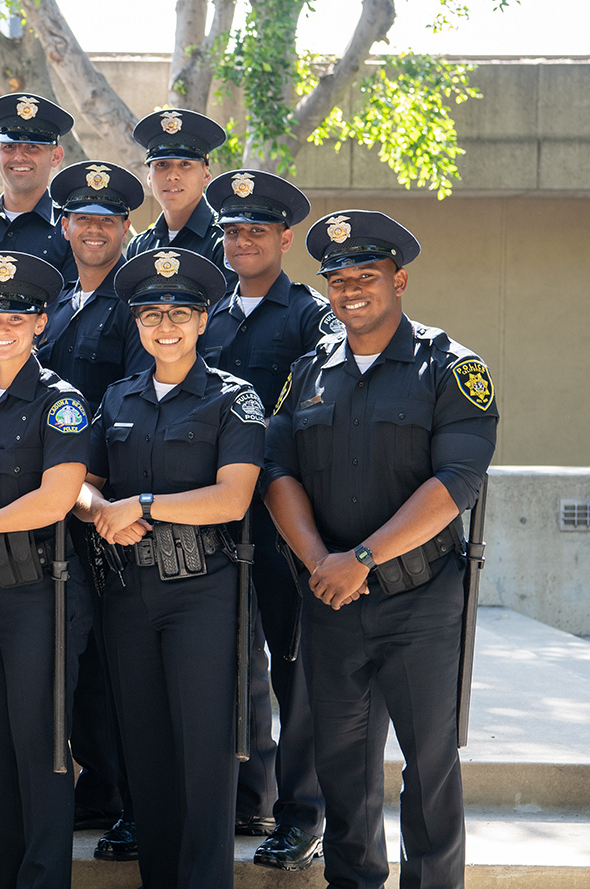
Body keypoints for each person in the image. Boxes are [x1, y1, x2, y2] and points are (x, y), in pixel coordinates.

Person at [264, 210, 498, 889]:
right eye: (336, 281)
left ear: (398, 280)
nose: (348, 291)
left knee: (428, 767)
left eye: (365, 276)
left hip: (419, 600)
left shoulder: (450, 368)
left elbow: (455, 481)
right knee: (342, 771)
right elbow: (278, 473)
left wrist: (359, 558)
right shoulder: (307, 371)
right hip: (332, 602)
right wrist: (320, 564)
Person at [76, 247, 265, 889]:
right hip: (127, 592)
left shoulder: (230, 400)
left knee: (204, 758)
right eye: (152, 313)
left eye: (180, 313)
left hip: (202, 594)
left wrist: (145, 504)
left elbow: (233, 496)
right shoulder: (118, 396)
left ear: (203, 321)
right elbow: (83, 485)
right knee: (147, 754)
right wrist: (101, 509)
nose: (166, 326)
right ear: (136, 323)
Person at [0, 251, 93, 889]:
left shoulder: (61, 403)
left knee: (42, 748)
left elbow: (57, 497)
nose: (1, 326)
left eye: (18, 315)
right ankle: (4, 870)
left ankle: (41, 878)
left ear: (41, 323)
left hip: (42, 594)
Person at [199, 168, 331, 868]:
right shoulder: (206, 313)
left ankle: (300, 812)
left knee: (291, 669)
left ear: (284, 238)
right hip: (216, 521)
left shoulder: (311, 316)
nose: (242, 241)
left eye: (256, 230)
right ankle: (248, 796)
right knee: (228, 665)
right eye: (231, 230)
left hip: (283, 518)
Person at [38, 159, 151, 860]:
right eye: (82, 220)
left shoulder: (135, 306)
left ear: (124, 230)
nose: (93, 231)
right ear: (64, 225)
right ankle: (102, 784)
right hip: (57, 504)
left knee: (120, 664)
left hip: (105, 500)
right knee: (75, 651)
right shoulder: (54, 304)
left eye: (107, 222)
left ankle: (136, 800)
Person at [0, 94, 77, 279]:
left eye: (33, 147)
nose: (19, 156)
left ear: (56, 156)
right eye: (9, 147)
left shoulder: (71, 232)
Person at [124, 109, 234, 291]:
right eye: (161, 164)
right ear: (149, 178)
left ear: (206, 175)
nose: (172, 175)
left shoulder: (224, 241)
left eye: (185, 164)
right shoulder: (140, 246)